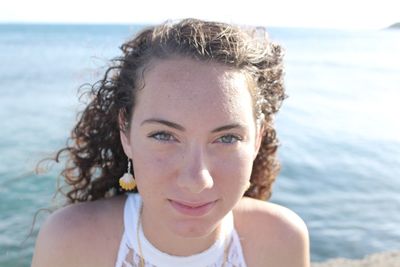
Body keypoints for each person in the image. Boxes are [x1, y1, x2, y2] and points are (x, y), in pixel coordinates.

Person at [31, 18, 309, 267]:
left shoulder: (283, 240)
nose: (197, 180)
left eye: (227, 137)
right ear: (125, 133)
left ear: (257, 139)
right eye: (163, 135)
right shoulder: (69, 243)